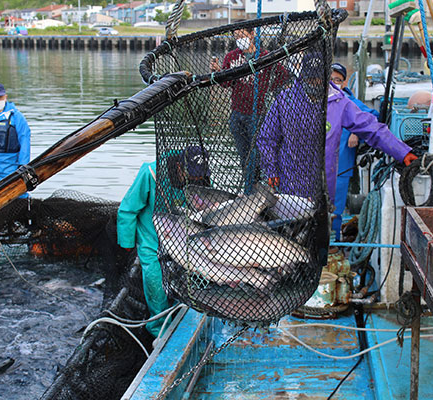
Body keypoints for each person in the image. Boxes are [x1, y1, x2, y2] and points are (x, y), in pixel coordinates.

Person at [257, 52, 417, 204]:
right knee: (290, 226)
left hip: (324, 184)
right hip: (289, 182)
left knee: (321, 225)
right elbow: (266, 138)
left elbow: (371, 128)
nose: (315, 83)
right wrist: (271, 170)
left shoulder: (341, 103)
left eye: (319, 79)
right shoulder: (284, 100)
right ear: (303, 78)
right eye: (311, 80)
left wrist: (402, 152)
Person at [116, 146, 210, 337]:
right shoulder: (150, 172)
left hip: (183, 236)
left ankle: (183, 314)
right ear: (178, 166)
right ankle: (158, 328)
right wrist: (126, 243)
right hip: (152, 236)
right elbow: (127, 209)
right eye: (191, 175)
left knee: (193, 278)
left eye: (199, 177)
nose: (195, 180)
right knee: (154, 279)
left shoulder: (202, 179)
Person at [210, 27, 288, 170]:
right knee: (243, 156)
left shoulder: (265, 56)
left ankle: (259, 185)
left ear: (252, 35)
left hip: (257, 114)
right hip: (237, 113)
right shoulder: (231, 57)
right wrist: (218, 72)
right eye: (236, 37)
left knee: (258, 156)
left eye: (242, 35)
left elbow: (283, 75)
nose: (240, 39)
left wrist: (268, 88)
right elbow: (226, 83)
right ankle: (248, 189)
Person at [330, 62, 380, 241]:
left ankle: (334, 243)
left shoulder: (350, 102)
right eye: (331, 79)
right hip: (317, 167)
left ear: (344, 83)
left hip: (341, 167)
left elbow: (373, 116)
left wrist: (355, 132)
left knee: (336, 207)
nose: (334, 83)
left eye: (338, 79)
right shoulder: (315, 101)